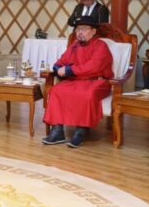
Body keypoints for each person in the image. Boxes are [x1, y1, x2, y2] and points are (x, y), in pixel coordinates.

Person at [42, 17, 114, 148]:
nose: (80, 32)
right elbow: (61, 61)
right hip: (75, 80)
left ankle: (81, 131)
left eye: (84, 29)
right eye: (78, 29)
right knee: (56, 90)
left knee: (86, 94)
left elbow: (93, 67)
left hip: (97, 82)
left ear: (93, 31)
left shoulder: (101, 46)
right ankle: (57, 132)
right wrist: (57, 68)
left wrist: (69, 70)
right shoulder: (74, 45)